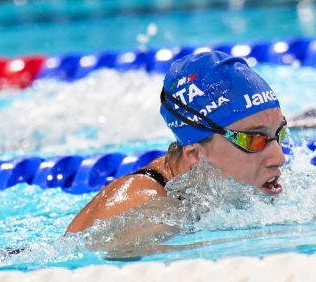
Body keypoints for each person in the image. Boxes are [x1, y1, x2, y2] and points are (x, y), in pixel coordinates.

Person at [65, 51, 288, 248]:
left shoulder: (211, 187)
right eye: (253, 140)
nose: (279, 157)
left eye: (280, 133)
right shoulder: (145, 207)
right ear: (195, 155)